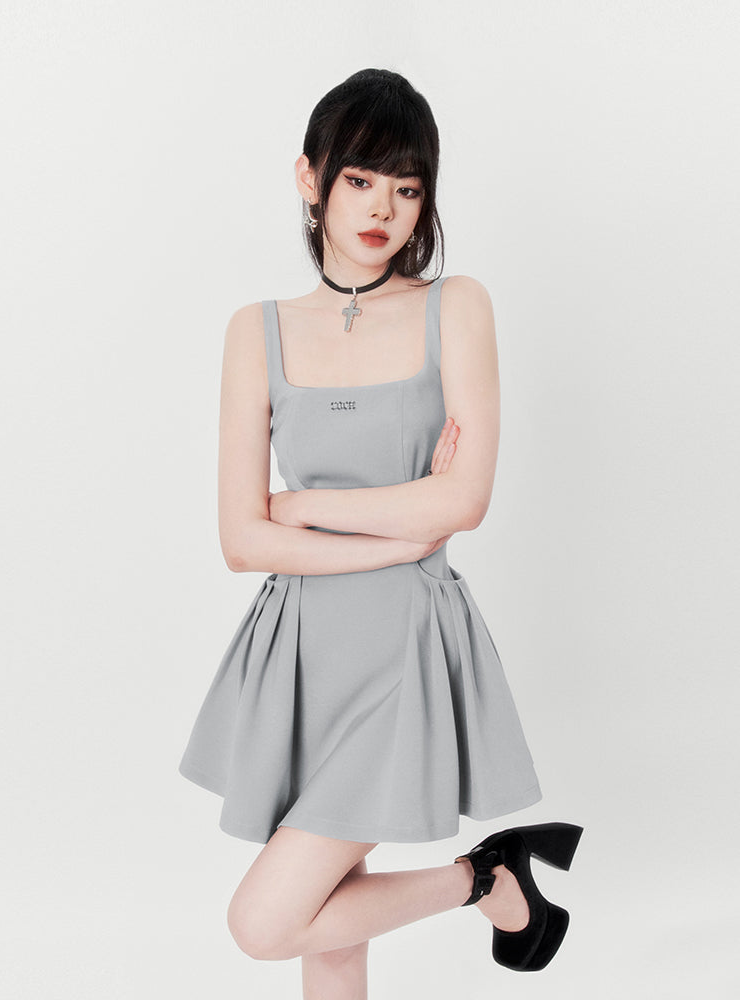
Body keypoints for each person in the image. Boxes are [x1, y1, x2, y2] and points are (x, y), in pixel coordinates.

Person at [178, 68, 582, 995]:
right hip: (298, 652)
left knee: (265, 922)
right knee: (329, 934)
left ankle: (484, 877)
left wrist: (301, 506)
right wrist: (400, 532)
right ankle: (495, 879)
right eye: (360, 179)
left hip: (404, 644)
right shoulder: (257, 330)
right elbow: (242, 542)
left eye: (407, 187)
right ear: (310, 178)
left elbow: (462, 501)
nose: (382, 209)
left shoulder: (456, 305)